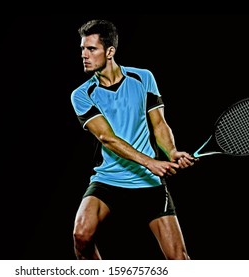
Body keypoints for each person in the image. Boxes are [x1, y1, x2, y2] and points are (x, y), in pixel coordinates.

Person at [70, 19, 197, 260]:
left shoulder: (143, 78)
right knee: (81, 236)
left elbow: (159, 123)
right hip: (108, 178)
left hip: (148, 182)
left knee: (179, 260)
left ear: (110, 51)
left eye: (91, 49)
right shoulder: (82, 95)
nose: (84, 55)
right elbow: (107, 138)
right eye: (82, 49)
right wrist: (150, 161)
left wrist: (171, 152)